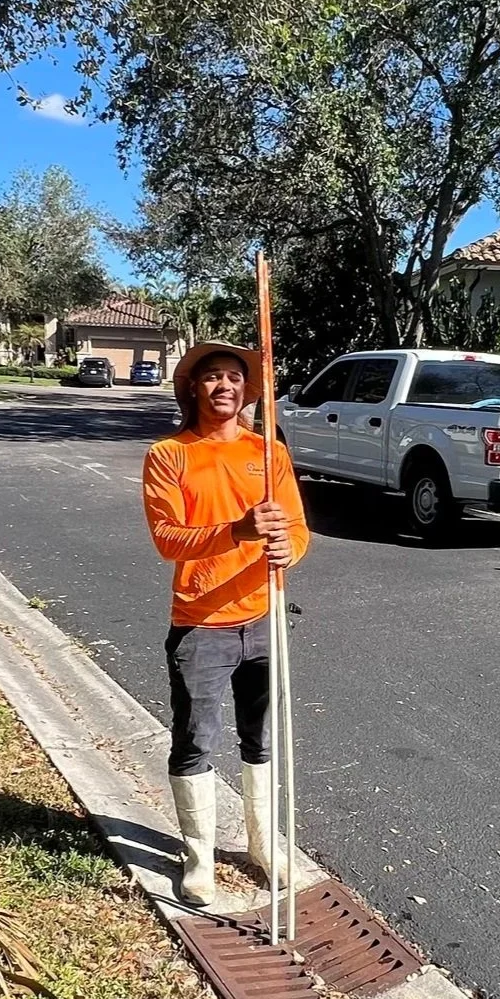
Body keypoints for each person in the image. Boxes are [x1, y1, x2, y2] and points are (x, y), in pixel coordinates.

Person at [142, 343, 310, 906]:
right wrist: (237, 530)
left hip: (264, 616)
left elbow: (297, 528)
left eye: (234, 378)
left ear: (246, 390)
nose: (224, 386)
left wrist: (289, 549)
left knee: (262, 738)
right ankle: (199, 859)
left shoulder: (268, 453)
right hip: (200, 624)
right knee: (195, 741)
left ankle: (264, 847)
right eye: (212, 376)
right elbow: (168, 539)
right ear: (193, 387)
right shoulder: (169, 455)